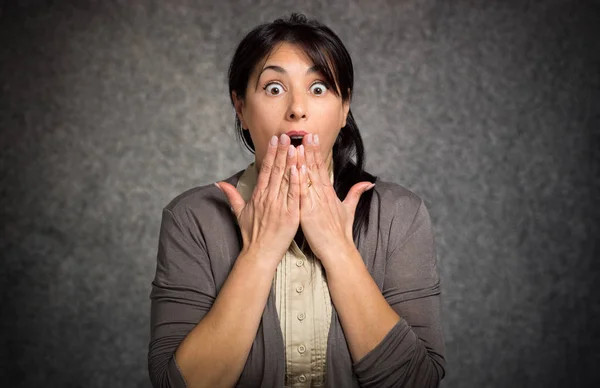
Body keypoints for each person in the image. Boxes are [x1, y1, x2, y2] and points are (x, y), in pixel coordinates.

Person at [148, 13, 445, 388]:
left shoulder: (400, 214)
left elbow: (418, 382)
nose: (297, 109)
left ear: (344, 108)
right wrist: (259, 252)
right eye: (274, 88)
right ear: (240, 108)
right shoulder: (192, 217)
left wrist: (338, 249)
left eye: (319, 88)